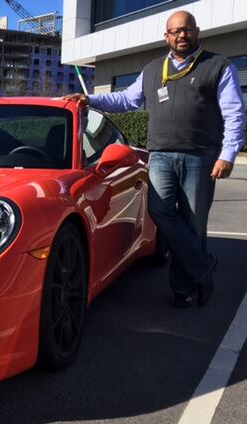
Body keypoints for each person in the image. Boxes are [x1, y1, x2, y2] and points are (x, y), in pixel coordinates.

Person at [64, 10, 245, 308]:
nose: (181, 36)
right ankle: (203, 266)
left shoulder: (217, 66)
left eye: (186, 30)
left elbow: (235, 114)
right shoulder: (152, 69)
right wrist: (90, 99)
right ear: (166, 37)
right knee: (160, 212)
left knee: (193, 224)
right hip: (160, 155)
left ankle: (184, 290)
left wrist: (227, 154)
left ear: (196, 32)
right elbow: (126, 100)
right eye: (174, 31)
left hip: (200, 156)